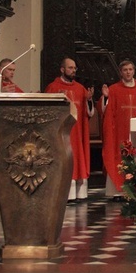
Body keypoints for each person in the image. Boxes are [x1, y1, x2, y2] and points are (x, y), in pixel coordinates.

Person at [45, 58, 94, 202]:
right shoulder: (53, 87)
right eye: (70, 68)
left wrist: (89, 100)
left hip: (77, 131)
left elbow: (88, 113)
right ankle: (65, 194)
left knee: (78, 158)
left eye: (74, 68)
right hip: (61, 132)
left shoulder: (80, 88)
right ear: (62, 69)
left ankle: (79, 193)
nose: (73, 71)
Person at [100, 60, 136, 197]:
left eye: (130, 69)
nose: (128, 72)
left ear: (134, 71)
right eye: (125, 70)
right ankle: (118, 192)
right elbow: (104, 111)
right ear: (121, 72)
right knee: (119, 157)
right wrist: (106, 98)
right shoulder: (113, 89)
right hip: (120, 129)